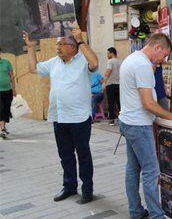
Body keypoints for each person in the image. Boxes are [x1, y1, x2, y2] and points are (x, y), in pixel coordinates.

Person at [23, 21, 99, 204]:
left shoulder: (83, 61)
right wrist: (31, 48)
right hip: (59, 116)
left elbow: (95, 63)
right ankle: (70, 187)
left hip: (79, 118)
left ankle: (87, 189)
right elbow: (33, 68)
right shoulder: (54, 62)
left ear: (72, 47)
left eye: (61, 43)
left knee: (83, 156)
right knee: (65, 155)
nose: (57, 47)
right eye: (57, 43)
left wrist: (82, 41)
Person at [119, 33, 172, 219]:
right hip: (139, 126)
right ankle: (157, 216)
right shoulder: (142, 65)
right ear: (157, 47)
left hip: (128, 122)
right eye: (164, 55)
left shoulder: (132, 59)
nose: (163, 61)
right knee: (150, 171)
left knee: (132, 169)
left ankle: (136, 212)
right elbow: (148, 103)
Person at [103, 47, 123, 126]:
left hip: (110, 84)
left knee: (111, 102)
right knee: (119, 101)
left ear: (111, 53)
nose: (107, 55)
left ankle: (111, 119)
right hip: (119, 84)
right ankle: (121, 118)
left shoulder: (110, 61)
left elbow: (108, 71)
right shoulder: (121, 61)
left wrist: (104, 82)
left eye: (108, 53)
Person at [0, 57, 16, 138]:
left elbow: (12, 76)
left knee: (6, 109)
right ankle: (2, 129)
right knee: (0, 108)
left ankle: (4, 127)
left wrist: (14, 89)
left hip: (7, 90)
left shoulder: (6, 62)